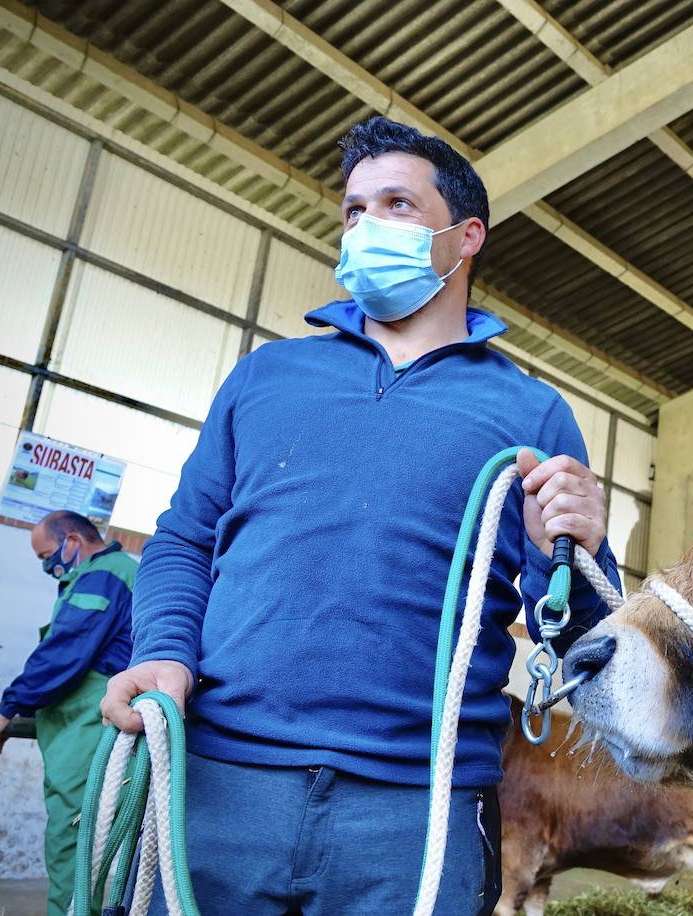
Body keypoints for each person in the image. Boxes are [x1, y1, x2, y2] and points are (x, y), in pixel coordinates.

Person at [99, 115, 622, 915]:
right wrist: (164, 650)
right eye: (353, 210)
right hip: (222, 783)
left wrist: (586, 546)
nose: (366, 226)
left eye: (397, 205)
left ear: (465, 237)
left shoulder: (531, 412)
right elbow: (184, 539)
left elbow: (580, 633)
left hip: (418, 806)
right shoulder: (266, 377)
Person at [0, 510, 136, 916]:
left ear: (73, 542)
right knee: (85, 839)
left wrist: (4, 711)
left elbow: (63, 653)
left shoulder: (105, 574)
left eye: (48, 556)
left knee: (76, 840)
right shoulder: (106, 574)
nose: (49, 567)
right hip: (76, 729)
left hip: (88, 727)